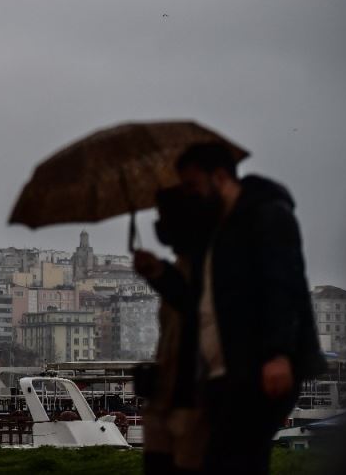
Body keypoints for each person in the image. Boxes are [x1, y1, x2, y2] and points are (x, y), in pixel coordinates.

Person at [135, 143, 326, 475]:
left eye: (193, 186)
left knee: (235, 460)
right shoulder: (219, 232)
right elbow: (198, 303)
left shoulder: (266, 215)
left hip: (257, 368)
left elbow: (282, 285)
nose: (191, 196)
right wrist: (159, 273)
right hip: (226, 373)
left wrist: (278, 354)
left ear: (220, 176)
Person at [141, 186, 212, 475]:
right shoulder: (182, 266)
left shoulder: (210, 265)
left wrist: (161, 276)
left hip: (191, 401)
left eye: (164, 216)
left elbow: (196, 314)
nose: (159, 225)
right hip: (167, 403)